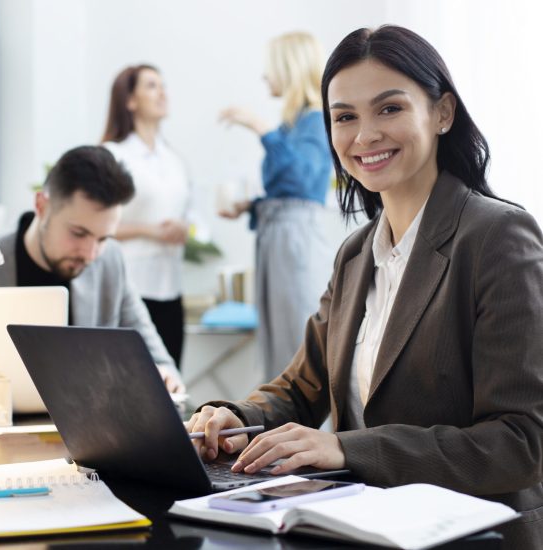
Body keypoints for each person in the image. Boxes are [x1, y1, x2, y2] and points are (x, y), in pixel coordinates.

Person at [188, 25, 543, 548]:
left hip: (472, 533)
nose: (364, 135)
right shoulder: (356, 253)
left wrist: (347, 449)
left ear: (443, 113)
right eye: (345, 117)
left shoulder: (497, 237)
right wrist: (233, 418)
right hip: (359, 526)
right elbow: (301, 389)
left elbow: (521, 443)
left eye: (389, 109)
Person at [0, 145, 184, 392]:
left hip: (88, 431)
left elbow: (160, 359)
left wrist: (162, 375)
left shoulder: (110, 263)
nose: (91, 253)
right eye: (78, 233)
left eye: (103, 238)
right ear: (41, 205)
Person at [218, 31, 333, 380]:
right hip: (277, 235)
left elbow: (301, 180)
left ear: (289, 68)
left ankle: (305, 431)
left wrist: (260, 128)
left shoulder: (315, 119)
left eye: (270, 68)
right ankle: (279, 428)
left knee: (296, 340)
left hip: (294, 239)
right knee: (276, 342)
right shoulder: (292, 124)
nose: (265, 76)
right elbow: (289, 190)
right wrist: (250, 207)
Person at [101, 65, 191, 369]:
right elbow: (97, 224)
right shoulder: (114, 155)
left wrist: (183, 228)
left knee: (171, 385)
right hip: (133, 287)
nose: (163, 92)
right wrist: (150, 230)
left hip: (172, 289)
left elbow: (189, 215)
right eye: (152, 86)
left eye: (163, 85)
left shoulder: (174, 158)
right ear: (130, 100)